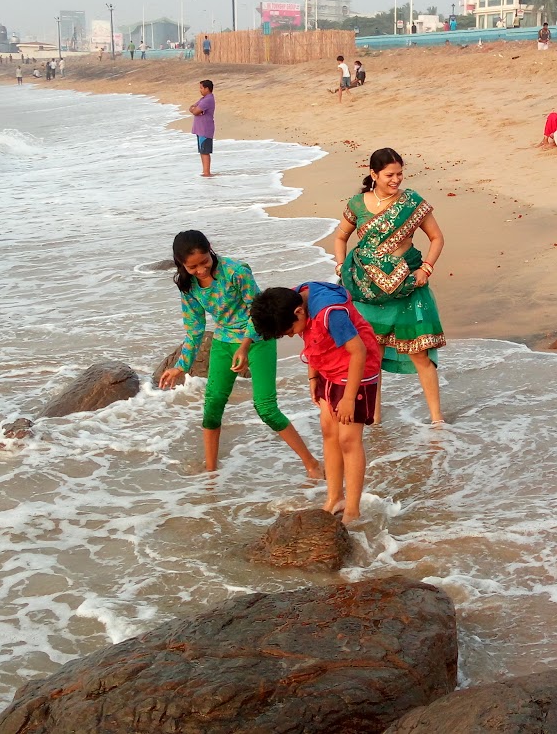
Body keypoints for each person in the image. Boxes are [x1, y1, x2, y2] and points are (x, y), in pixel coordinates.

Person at [158, 231, 324, 479]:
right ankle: (211, 473)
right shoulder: (188, 285)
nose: (201, 270)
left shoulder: (236, 272)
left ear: (210, 249)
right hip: (223, 342)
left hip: (258, 339)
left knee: (266, 408)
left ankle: (311, 464)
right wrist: (181, 366)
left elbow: (257, 311)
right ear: (181, 264)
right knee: (212, 405)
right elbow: (194, 328)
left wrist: (245, 346)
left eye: (204, 262)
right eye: (192, 267)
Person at [332, 148, 446, 424]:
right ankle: (374, 419)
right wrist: (341, 266)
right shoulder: (357, 204)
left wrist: (425, 269)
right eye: (389, 175)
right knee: (372, 354)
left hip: (408, 287)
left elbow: (437, 238)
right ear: (374, 174)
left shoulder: (411, 202)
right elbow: (340, 237)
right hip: (367, 290)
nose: (396, 180)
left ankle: (437, 419)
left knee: (419, 353)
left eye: (399, 174)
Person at [251, 281, 381, 525]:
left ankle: (353, 510)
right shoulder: (293, 299)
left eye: (289, 330)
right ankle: (335, 498)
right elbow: (311, 340)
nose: (291, 335)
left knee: (348, 440)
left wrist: (349, 398)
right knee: (329, 431)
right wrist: (313, 376)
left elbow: (359, 352)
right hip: (328, 369)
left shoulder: (331, 313)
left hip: (356, 374)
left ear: (299, 312)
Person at [189, 78, 215, 177]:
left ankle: (207, 172)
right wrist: (195, 109)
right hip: (200, 129)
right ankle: (205, 172)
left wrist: (195, 110)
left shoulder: (208, 99)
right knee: (202, 151)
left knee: (205, 152)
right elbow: (191, 107)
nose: (200, 90)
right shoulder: (203, 99)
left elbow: (195, 111)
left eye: (201, 88)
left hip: (205, 129)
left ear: (207, 88)